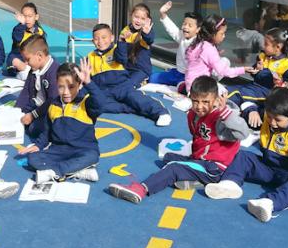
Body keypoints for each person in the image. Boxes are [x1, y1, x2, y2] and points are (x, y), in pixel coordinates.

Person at [107, 76, 250, 204]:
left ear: (215, 100)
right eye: (195, 101)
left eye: (205, 102)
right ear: (190, 97)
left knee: (173, 167)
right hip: (200, 160)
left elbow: (243, 133)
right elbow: (198, 138)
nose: (200, 106)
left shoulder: (221, 118)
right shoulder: (192, 115)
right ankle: (196, 181)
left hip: (215, 167)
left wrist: (225, 112)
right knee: (168, 158)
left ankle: (141, 189)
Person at [210, 88, 288, 223]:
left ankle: (267, 203)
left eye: (277, 120)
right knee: (244, 157)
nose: (272, 122)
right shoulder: (268, 115)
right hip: (267, 167)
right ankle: (229, 184)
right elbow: (250, 108)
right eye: (270, 117)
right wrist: (252, 110)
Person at [18, 59, 111, 183]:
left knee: (92, 156)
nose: (66, 92)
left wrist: (89, 82)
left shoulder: (86, 102)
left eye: (71, 87)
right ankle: (77, 171)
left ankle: (56, 171)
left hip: (83, 150)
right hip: (59, 151)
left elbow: (102, 104)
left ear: (80, 84)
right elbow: (47, 132)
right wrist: (38, 145)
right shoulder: (53, 105)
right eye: (61, 87)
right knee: (33, 159)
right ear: (56, 84)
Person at [87, 23, 171, 126]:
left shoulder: (117, 48)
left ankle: (161, 112)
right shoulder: (90, 56)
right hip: (104, 90)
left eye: (104, 37)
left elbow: (122, 58)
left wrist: (122, 42)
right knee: (96, 105)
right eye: (96, 39)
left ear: (112, 38)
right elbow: (88, 77)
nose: (100, 41)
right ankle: (130, 108)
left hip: (122, 86)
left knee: (135, 98)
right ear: (92, 41)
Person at [227, 27, 288, 128]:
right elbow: (255, 74)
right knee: (232, 89)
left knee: (237, 94)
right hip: (254, 86)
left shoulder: (287, 65)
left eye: (266, 44)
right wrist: (255, 70)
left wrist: (280, 83)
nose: (263, 46)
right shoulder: (263, 56)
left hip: (267, 92)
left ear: (277, 47)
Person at [184, 14, 250, 93]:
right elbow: (223, 71)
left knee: (224, 61)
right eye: (222, 33)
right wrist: (243, 69)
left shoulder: (198, 43)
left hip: (190, 85)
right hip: (199, 89)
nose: (224, 36)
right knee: (225, 93)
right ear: (213, 33)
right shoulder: (209, 49)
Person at [14, 36, 59, 142]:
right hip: (35, 105)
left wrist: (33, 115)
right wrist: (16, 111)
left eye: (27, 59)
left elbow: (52, 100)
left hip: (49, 109)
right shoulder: (34, 70)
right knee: (18, 118)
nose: (25, 63)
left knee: (33, 129)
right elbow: (26, 92)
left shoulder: (54, 72)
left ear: (39, 56)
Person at [150, 1, 201, 86]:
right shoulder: (182, 36)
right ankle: (180, 85)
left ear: (198, 29)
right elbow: (172, 29)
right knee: (153, 78)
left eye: (190, 25)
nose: (185, 27)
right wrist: (163, 14)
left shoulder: (199, 43)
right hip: (177, 73)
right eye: (184, 24)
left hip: (190, 77)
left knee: (189, 87)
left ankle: (183, 86)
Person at [117, 3, 154, 88]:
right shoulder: (126, 30)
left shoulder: (146, 32)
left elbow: (150, 39)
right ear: (131, 16)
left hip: (141, 70)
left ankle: (143, 81)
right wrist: (121, 41)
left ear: (147, 20)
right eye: (136, 17)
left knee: (129, 86)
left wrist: (146, 33)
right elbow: (121, 56)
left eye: (142, 19)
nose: (138, 21)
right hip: (127, 68)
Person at [5, 2, 45, 78]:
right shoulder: (18, 29)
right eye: (24, 16)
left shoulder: (39, 31)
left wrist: (32, 59)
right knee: (13, 59)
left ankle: (28, 72)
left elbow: (42, 48)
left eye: (30, 16)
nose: (27, 19)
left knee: (47, 58)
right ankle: (27, 72)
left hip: (33, 58)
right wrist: (22, 24)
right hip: (19, 58)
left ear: (36, 17)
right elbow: (17, 39)